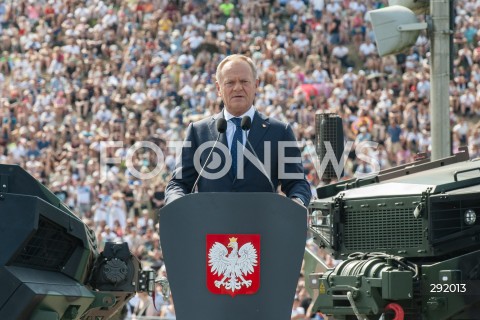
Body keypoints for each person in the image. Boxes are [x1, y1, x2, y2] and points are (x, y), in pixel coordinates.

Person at [165, 54, 311, 207]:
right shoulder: (198, 132)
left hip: (263, 227)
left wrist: (297, 202)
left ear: (256, 85)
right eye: (230, 82)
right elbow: (179, 183)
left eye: (244, 81)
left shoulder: (280, 132)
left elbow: (297, 183)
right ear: (218, 88)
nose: (237, 87)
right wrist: (176, 204)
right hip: (211, 227)